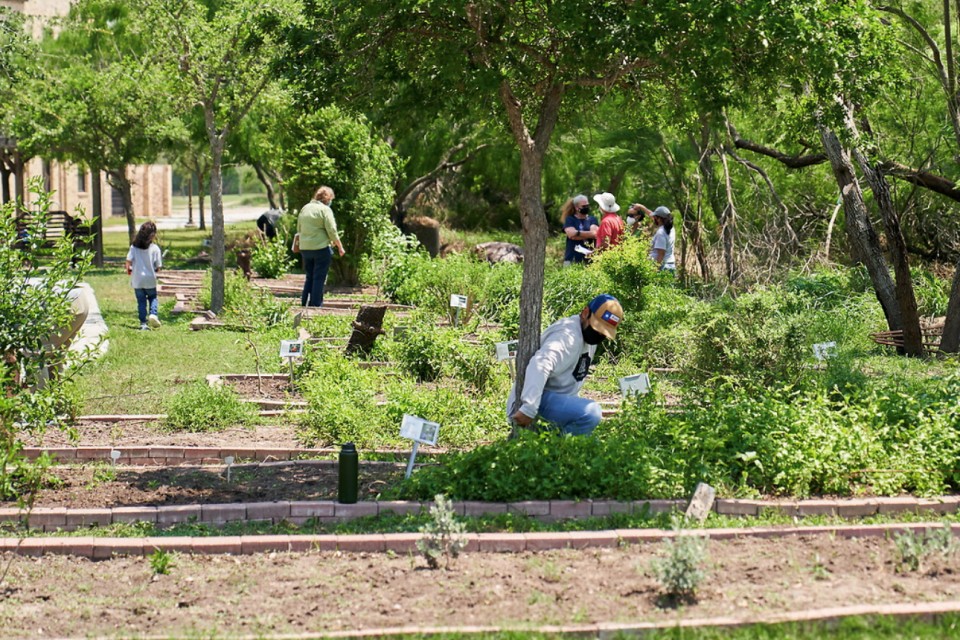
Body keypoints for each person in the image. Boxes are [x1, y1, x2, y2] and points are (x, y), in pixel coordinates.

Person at [508, 294, 624, 436]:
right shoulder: (567, 336)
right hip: (536, 400)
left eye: (604, 333)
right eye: (596, 328)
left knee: (591, 442)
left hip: (553, 401)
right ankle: (557, 452)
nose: (599, 335)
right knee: (591, 413)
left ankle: (556, 447)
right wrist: (528, 408)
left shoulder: (586, 337)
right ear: (585, 313)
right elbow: (540, 364)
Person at [297, 186, 345, 307]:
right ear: (328, 199)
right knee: (319, 277)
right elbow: (332, 230)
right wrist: (340, 246)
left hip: (305, 248)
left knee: (309, 277)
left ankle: (305, 303)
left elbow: (299, 228)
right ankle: (316, 304)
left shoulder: (305, 208)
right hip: (321, 248)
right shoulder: (325, 210)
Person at [126, 221, 162, 331]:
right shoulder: (155, 248)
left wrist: (129, 269)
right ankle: (153, 314)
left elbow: (128, 261)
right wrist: (156, 269)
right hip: (150, 279)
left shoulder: (134, 247)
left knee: (141, 302)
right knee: (153, 297)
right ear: (153, 235)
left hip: (137, 280)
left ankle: (143, 323)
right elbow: (158, 266)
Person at [561, 194, 599, 266]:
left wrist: (577, 233)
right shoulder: (570, 219)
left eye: (587, 205)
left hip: (589, 260)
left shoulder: (592, 219)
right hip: (572, 259)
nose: (586, 207)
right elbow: (571, 234)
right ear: (576, 208)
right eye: (583, 206)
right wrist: (589, 235)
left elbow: (595, 234)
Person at [646, 205, 676, 272]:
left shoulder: (661, 233)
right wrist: (642, 207)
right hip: (670, 264)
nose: (654, 219)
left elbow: (661, 254)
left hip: (663, 267)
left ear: (659, 219)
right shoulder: (671, 228)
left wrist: (655, 270)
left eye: (655, 217)